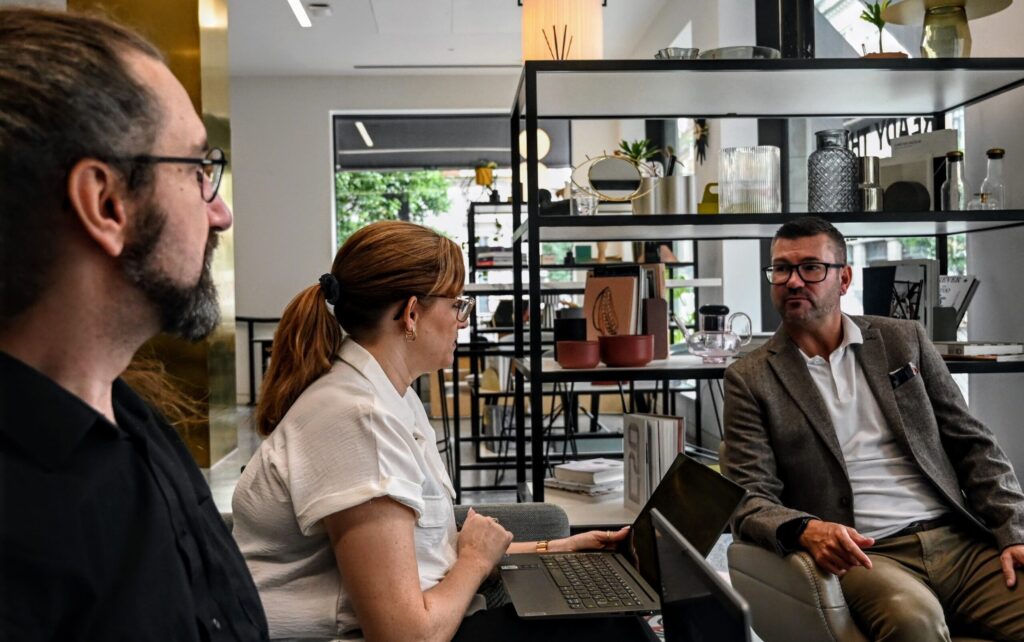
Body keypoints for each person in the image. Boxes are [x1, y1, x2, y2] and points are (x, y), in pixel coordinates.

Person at [232, 220, 653, 641]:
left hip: (428, 616)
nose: (462, 321)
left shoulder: (389, 395)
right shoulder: (357, 417)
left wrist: (555, 549)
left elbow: (417, 554)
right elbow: (405, 636)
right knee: (614, 629)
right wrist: (473, 560)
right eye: (457, 306)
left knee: (612, 619)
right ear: (411, 313)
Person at [0, 8, 268, 640]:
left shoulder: (135, 420)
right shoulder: (19, 519)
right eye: (200, 171)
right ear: (107, 203)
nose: (221, 213)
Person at [722, 216, 1024, 641]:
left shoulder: (904, 340)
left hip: (958, 540)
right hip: (868, 554)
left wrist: (1014, 530)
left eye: (811, 267)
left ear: (843, 278)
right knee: (912, 621)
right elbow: (746, 496)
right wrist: (807, 528)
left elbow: (974, 444)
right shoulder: (750, 378)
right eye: (781, 269)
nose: (793, 281)